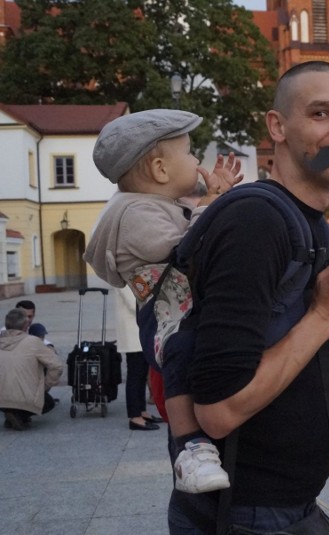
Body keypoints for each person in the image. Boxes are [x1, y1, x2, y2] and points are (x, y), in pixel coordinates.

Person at [169, 61, 329, 534]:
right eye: (322, 114)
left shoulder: (313, 226)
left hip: (298, 506)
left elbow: (316, 372)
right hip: (245, 515)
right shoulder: (255, 222)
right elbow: (218, 412)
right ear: (277, 126)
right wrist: (326, 315)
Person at [84, 109, 241, 494]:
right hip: (167, 321)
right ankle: (190, 449)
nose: (197, 162)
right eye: (189, 154)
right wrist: (214, 201)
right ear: (159, 168)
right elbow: (186, 249)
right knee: (183, 350)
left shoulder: (156, 205)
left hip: (182, 309)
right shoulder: (133, 212)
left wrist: (214, 200)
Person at [0, 308, 63, 431]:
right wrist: (45, 387)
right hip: (22, 397)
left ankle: (12, 414)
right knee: (48, 403)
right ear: (26, 326)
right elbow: (57, 366)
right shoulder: (33, 342)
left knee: (13, 395)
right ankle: (20, 415)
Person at [115, 285, 164, 431]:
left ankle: (142, 411)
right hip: (132, 333)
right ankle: (135, 417)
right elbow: (134, 303)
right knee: (135, 375)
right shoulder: (123, 278)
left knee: (141, 374)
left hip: (140, 331)